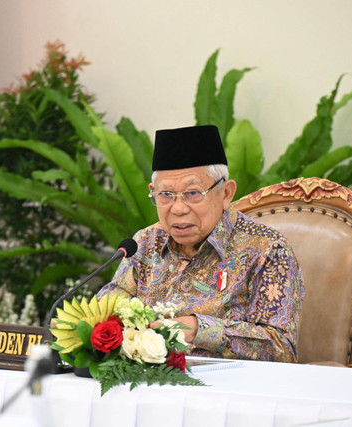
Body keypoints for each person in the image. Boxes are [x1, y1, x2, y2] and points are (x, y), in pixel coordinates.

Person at [98, 125, 304, 361]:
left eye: (193, 193)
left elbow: (282, 350)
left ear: (226, 193)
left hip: (229, 390)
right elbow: (105, 313)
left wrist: (199, 330)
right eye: (165, 195)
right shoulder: (144, 243)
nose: (178, 209)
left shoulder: (267, 250)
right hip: (144, 385)